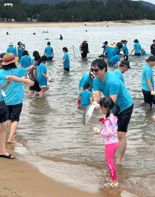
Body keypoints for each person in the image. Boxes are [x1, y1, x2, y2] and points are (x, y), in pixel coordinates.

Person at [91, 59, 133, 164]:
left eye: (96, 70)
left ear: (104, 69)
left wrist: (102, 108)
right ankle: (112, 154)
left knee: (120, 134)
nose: (94, 72)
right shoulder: (96, 80)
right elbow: (97, 97)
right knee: (112, 131)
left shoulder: (113, 81)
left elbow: (111, 102)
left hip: (125, 106)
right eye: (92, 70)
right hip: (113, 106)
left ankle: (119, 160)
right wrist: (95, 104)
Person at [0, 53, 34, 144]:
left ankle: (10, 135)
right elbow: (28, 69)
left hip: (5, 98)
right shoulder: (19, 70)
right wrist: (34, 64)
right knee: (15, 119)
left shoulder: (1, 72)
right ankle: (10, 137)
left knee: (8, 119)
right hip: (17, 99)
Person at [0, 75, 33, 159]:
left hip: (3, 102)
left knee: (3, 128)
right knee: (3, 129)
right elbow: (11, 77)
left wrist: (7, 83)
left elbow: (2, 88)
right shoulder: (2, 73)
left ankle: (3, 150)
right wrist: (25, 81)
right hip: (2, 103)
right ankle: (3, 150)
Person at [93, 97, 119, 188]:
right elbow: (112, 126)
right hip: (116, 141)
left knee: (109, 162)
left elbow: (108, 132)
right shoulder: (113, 115)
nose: (100, 109)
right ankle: (112, 177)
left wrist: (99, 131)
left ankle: (115, 181)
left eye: (101, 107)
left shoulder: (108, 120)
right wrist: (103, 120)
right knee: (111, 161)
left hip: (110, 144)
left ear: (105, 108)